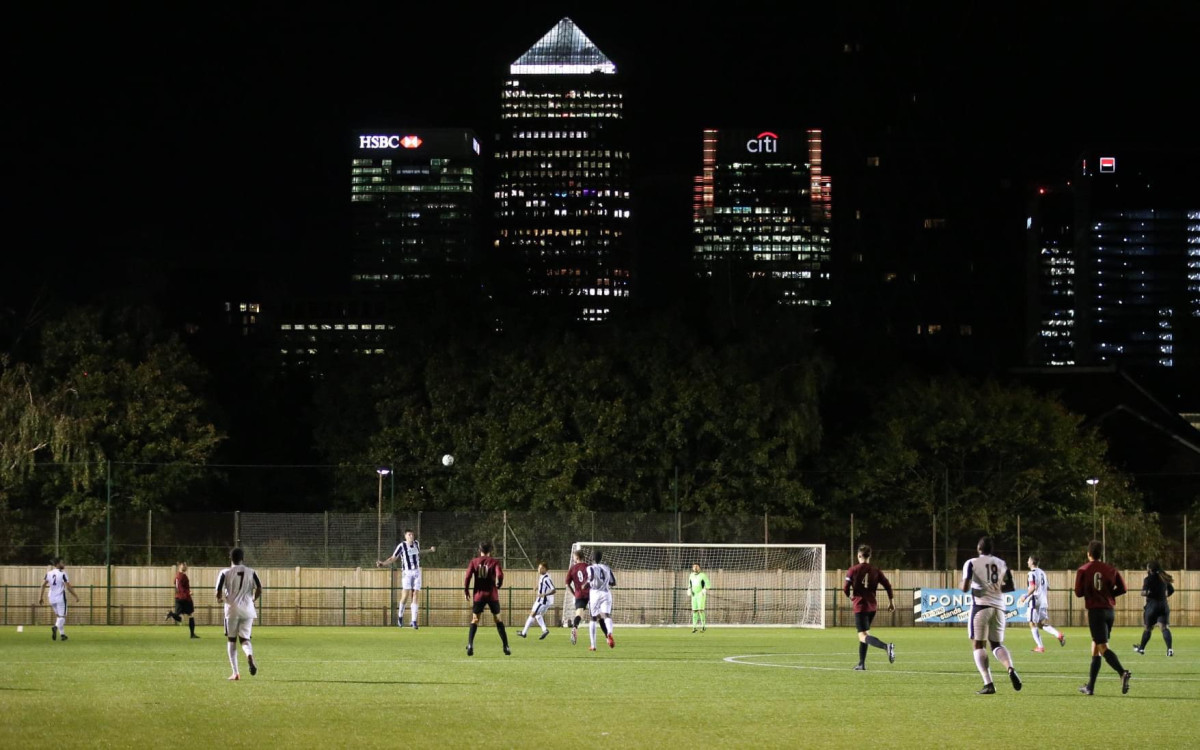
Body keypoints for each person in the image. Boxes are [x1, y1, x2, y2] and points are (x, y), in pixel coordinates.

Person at [961, 536, 1022, 694]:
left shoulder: (971, 563)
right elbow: (1010, 586)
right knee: (997, 644)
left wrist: (968, 586)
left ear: (978, 549)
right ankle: (1010, 667)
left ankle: (988, 683)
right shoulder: (1002, 563)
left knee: (978, 645)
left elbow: (965, 587)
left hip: (981, 607)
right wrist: (994, 589)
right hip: (999, 608)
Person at [1074, 540, 1131, 695]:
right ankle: (1090, 687)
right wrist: (1109, 594)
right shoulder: (1110, 569)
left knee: (1102, 646)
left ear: (1088, 553)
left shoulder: (1083, 570)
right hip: (1109, 611)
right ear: (1101, 554)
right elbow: (1123, 588)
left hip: (1096, 611)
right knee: (1096, 646)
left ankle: (1122, 672)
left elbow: (1078, 593)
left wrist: (1091, 593)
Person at [844, 544, 895, 670]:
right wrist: (891, 601)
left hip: (860, 606)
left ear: (858, 555)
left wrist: (850, 596)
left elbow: (845, 588)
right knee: (865, 635)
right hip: (872, 607)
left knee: (862, 636)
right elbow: (888, 585)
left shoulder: (853, 570)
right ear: (870, 556)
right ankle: (861, 664)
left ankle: (886, 647)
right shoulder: (876, 570)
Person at [216, 547, 261, 681]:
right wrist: (253, 599)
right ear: (243, 559)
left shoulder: (225, 572)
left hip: (232, 609)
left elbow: (218, 591)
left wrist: (219, 598)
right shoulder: (251, 572)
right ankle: (249, 655)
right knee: (245, 639)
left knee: (231, 639)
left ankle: (235, 673)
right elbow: (259, 588)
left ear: (230, 558)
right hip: (248, 609)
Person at [376, 529, 436, 629]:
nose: (411, 536)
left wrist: (430, 550)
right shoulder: (401, 546)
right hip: (407, 573)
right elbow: (393, 558)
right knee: (405, 595)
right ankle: (400, 616)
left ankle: (414, 621)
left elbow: (418, 552)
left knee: (416, 594)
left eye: (412, 535)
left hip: (416, 572)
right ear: (405, 536)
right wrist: (383, 563)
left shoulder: (416, 543)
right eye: (409, 535)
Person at [464, 542, 509, 656]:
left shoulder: (474, 562)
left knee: (475, 620)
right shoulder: (494, 562)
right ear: (490, 551)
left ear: (480, 550)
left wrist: (466, 591)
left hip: (479, 595)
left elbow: (468, 576)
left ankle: (470, 645)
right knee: (498, 619)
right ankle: (506, 646)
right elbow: (500, 575)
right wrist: (499, 583)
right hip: (492, 595)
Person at [1018, 555, 1063, 652]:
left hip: (1035, 600)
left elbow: (1033, 587)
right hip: (1043, 600)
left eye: (1028, 560)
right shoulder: (1043, 573)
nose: (1027, 562)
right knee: (1040, 624)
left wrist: (1025, 596)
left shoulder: (1031, 573)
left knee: (1031, 623)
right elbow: (1048, 587)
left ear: (1032, 562)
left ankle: (1040, 646)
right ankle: (1058, 634)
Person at [1134, 559, 1174, 657]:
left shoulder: (1148, 579)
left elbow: (1144, 592)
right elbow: (1171, 590)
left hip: (1152, 606)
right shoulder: (1163, 577)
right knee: (1164, 628)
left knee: (1148, 628)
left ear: (1150, 569)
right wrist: (1163, 596)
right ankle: (1169, 649)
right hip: (1163, 605)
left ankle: (1142, 648)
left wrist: (1146, 593)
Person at [38, 558, 79, 641]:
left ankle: (62, 635)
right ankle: (55, 627)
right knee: (62, 617)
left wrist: (40, 597)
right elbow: (68, 587)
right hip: (60, 598)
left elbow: (42, 585)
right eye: (62, 563)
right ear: (57, 564)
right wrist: (76, 596)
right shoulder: (63, 574)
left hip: (51, 598)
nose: (64, 564)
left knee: (59, 617)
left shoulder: (49, 573)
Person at [586, 549, 616, 651]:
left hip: (595, 593)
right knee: (606, 615)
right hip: (606, 593)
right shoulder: (607, 568)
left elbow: (590, 578)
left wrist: (584, 585)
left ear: (592, 558)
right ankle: (609, 633)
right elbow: (613, 582)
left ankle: (593, 646)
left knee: (593, 618)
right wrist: (605, 582)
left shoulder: (590, 568)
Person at [518, 561, 555, 640]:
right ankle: (545, 630)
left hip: (542, 601)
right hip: (541, 600)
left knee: (532, 614)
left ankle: (524, 633)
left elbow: (554, 590)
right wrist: (537, 587)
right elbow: (542, 584)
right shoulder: (543, 576)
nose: (538, 569)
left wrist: (544, 595)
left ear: (545, 569)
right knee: (538, 615)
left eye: (540, 568)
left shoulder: (547, 579)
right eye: (538, 567)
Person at [165, 562, 199, 638]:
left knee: (179, 618)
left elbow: (175, 583)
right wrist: (188, 592)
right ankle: (192, 634)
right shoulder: (182, 576)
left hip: (178, 598)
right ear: (180, 566)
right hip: (185, 598)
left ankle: (171, 614)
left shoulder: (177, 576)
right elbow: (181, 587)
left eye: (186, 565)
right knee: (191, 615)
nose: (186, 566)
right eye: (184, 565)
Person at [565, 548, 590, 646]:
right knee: (597, 616)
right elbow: (592, 579)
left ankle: (575, 627)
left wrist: (574, 594)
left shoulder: (572, 569)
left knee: (579, 614)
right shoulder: (588, 567)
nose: (573, 559)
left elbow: (567, 585)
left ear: (577, 557)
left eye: (574, 557)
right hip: (590, 595)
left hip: (579, 595)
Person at [688, 563, 710, 633]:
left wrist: (704, 589)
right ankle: (694, 627)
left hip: (701, 594)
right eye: (694, 567)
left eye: (697, 566)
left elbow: (708, 584)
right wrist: (689, 589)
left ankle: (703, 626)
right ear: (692, 568)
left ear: (699, 568)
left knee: (701, 610)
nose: (695, 568)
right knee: (694, 610)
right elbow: (689, 584)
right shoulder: (691, 575)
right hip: (694, 595)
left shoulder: (703, 575)